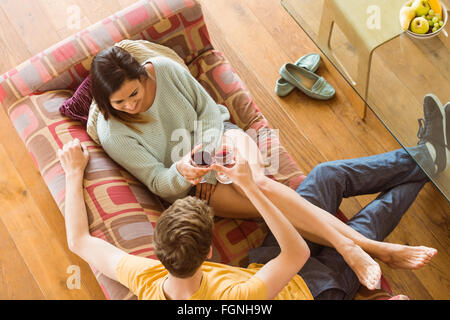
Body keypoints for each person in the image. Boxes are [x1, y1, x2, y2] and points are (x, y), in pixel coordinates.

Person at [88, 43, 437, 290]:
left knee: (258, 183)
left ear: (144, 76)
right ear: (106, 102)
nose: (131, 106)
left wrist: (208, 160)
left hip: (222, 139)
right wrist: (183, 172)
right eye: (119, 102)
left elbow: (209, 113)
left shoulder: (163, 71)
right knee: (263, 201)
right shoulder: (113, 132)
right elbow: (157, 181)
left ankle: (357, 248)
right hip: (197, 187)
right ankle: (374, 244)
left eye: (134, 94)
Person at [58, 138, 313, 300]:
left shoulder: (147, 280)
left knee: (323, 184)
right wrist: (251, 188)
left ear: (159, 251)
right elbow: (298, 253)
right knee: (327, 177)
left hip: (262, 269)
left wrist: (73, 172)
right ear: (209, 252)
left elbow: (78, 241)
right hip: (310, 288)